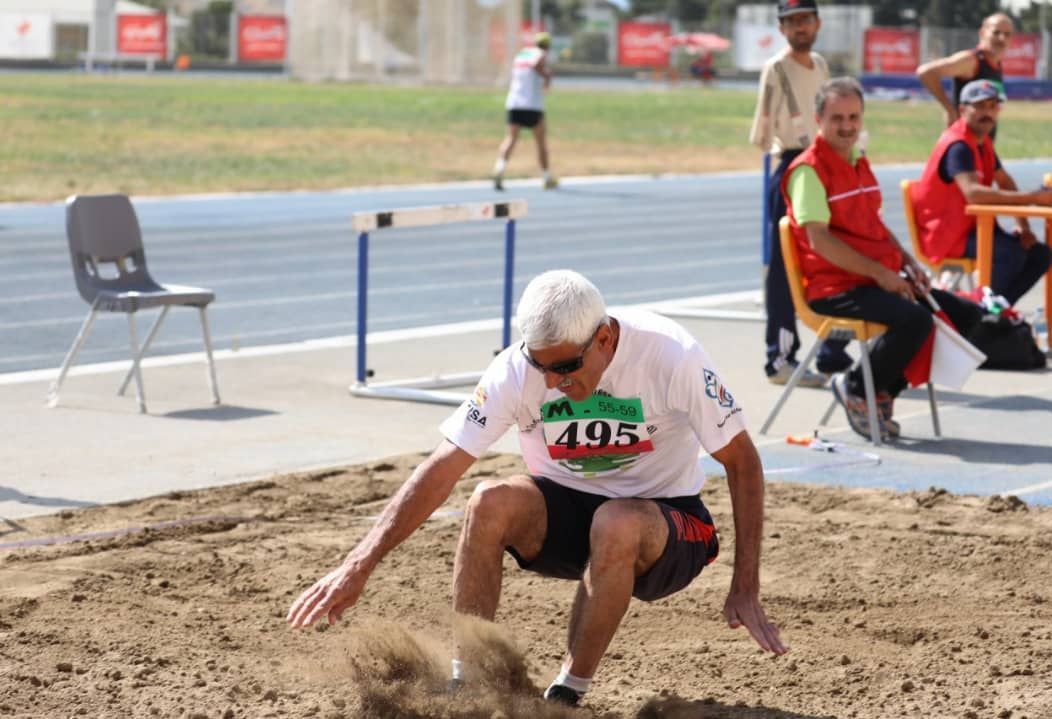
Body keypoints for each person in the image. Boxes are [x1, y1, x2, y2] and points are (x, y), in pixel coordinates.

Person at [287, 270, 787, 706]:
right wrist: (359, 564)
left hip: (666, 524)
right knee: (489, 501)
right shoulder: (516, 371)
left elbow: (743, 462)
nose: (551, 382)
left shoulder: (672, 356)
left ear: (606, 339)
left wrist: (745, 585)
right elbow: (443, 467)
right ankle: (472, 682)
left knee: (617, 522)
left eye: (566, 367)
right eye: (540, 366)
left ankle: (568, 693)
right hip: (568, 515)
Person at [782, 78, 982, 440]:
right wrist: (881, 274)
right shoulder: (808, 170)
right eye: (837, 118)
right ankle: (857, 387)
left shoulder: (859, 161)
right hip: (834, 286)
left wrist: (907, 263)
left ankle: (884, 388)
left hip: (875, 278)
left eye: (854, 117)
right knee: (915, 320)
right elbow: (820, 240)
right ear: (818, 120)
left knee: (964, 315)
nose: (847, 127)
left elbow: (874, 225)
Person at [750, 0, 851, 388]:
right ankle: (780, 357)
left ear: (817, 23)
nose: (800, 28)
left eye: (805, 21)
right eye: (792, 23)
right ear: (782, 28)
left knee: (835, 255)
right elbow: (761, 134)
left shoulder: (822, 66)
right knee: (784, 265)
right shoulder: (776, 70)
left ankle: (832, 350)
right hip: (792, 165)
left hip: (826, 163)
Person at [912, 79, 1052, 306]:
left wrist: (1024, 227)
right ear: (962, 109)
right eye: (979, 106)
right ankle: (983, 312)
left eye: (992, 106)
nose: (987, 113)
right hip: (947, 237)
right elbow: (974, 194)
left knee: (1040, 254)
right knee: (1010, 254)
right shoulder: (958, 145)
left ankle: (996, 310)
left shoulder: (982, 143)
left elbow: (1005, 182)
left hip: (974, 230)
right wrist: (1034, 198)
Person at [916, 13, 1013, 129]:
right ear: (982, 33)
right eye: (996, 32)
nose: (1002, 38)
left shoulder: (996, 63)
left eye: (1007, 34)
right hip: (964, 139)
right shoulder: (971, 60)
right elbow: (926, 72)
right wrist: (949, 109)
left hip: (982, 142)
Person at [493, 31, 557, 191]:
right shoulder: (541, 54)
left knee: (510, 138)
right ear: (547, 46)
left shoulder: (521, 55)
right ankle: (547, 176)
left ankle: (499, 169)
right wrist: (547, 76)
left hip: (514, 103)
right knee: (541, 142)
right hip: (532, 105)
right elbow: (537, 64)